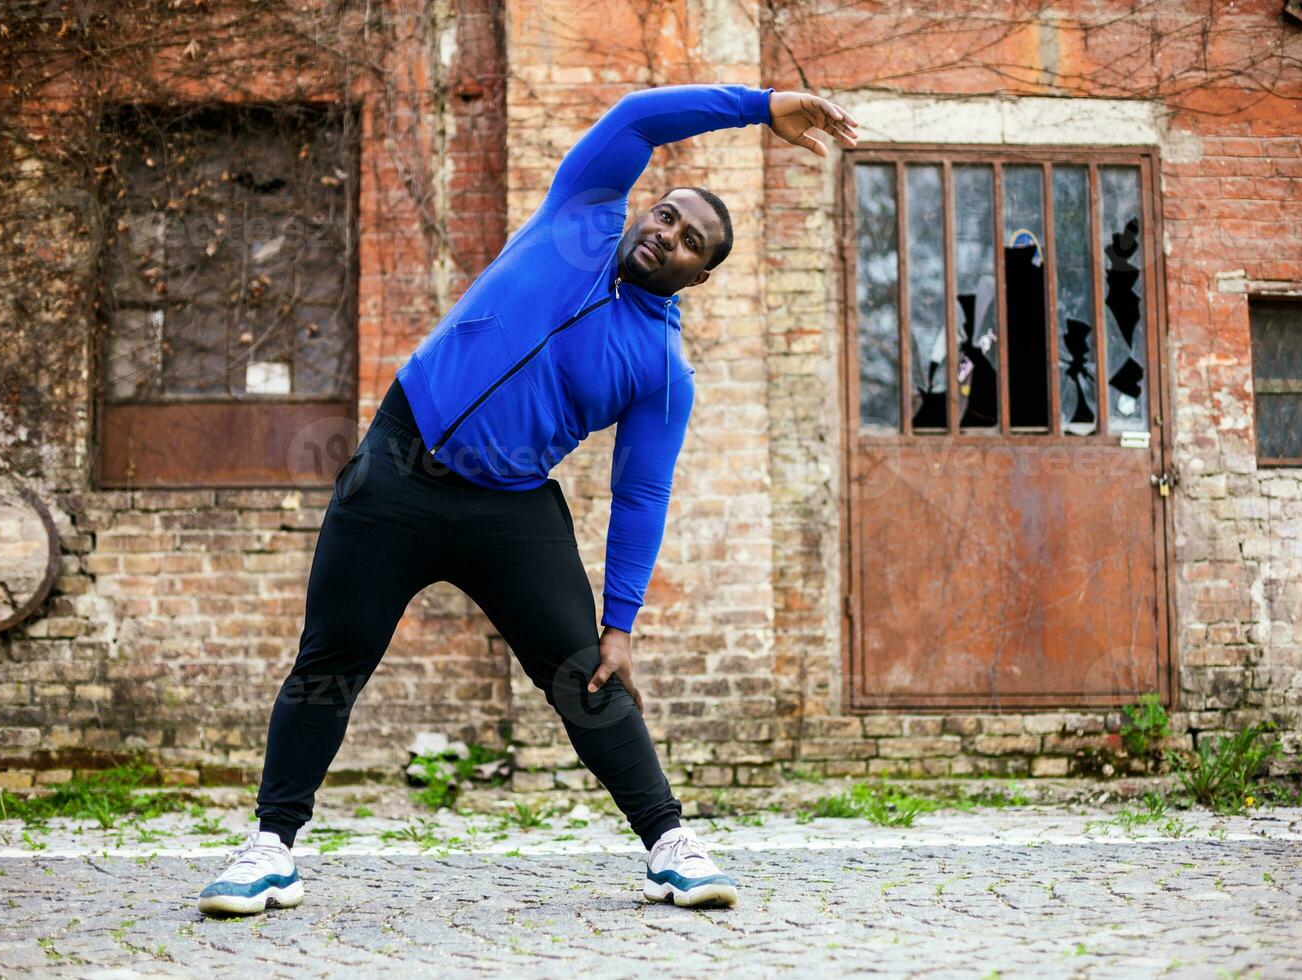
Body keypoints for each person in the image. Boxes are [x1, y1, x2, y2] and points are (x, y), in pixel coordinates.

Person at [196, 82, 859, 916]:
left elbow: (640, 494)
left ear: (701, 273)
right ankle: (270, 850)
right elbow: (639, 117)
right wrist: (762, 106)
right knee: (330, 660)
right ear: (642, 212)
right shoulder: (578, 212)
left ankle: (670, 846)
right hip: (398, 467)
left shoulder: (660, 370)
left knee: (587, 675)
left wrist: (620, 625)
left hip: (506, 511)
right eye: (666, 216)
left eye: (692, 242)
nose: (668, 236)